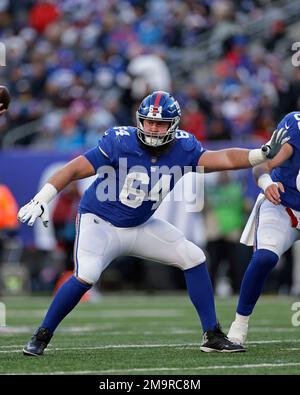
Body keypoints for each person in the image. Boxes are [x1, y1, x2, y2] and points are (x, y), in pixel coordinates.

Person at [17, 91, 288, 356]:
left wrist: (260, 154)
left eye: (160, 123)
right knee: (87, 274)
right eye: (149, 122)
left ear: (173, 125)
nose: (154, 129)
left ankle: (212, 335)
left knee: (193, 257)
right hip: (100, 223)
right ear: (140, 120)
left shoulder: (183, 146)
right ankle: (42, 335)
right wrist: (44, 197)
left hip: (140, 224)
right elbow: (75, 168)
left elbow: (224, 158)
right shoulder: (119, 140)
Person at [227, 111, 299, 346]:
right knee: (264, 258)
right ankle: (240, 324)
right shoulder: (296, 127)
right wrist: (267, 184)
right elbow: (261, 166)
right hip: (283, 204)